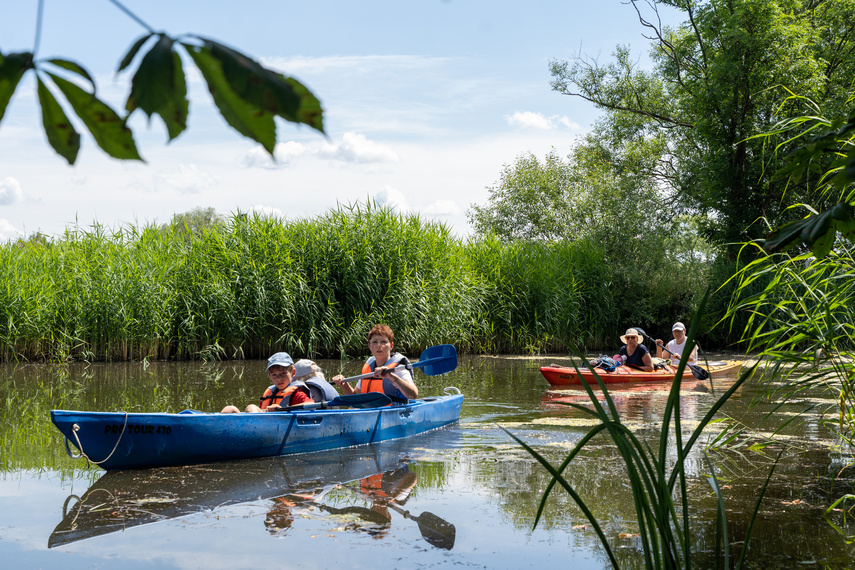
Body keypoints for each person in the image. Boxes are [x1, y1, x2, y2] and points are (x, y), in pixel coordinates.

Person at [331, 324, 418, 402]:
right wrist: (344, 384)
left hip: (391, 413)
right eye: (375, 342)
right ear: (370, 346)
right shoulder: (368, 368)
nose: (379, 345)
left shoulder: (399, 369)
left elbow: (413, 395)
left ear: (391, 346)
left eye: (383, 342)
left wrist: (391, 376)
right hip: (369, 413)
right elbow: (354, 398)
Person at [220, 352, 314, 413]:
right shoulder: (271, 392)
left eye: (283, 373)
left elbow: (311, 405)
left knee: (251, 407)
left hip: (280, 426)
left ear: (293, 372)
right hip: (267, 424)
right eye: (274, 375)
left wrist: (282, 409)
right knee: (229, 409)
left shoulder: (297, 394)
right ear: (269, 375)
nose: (279, 379)